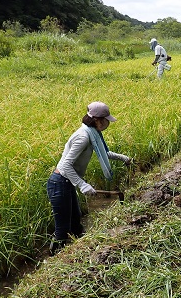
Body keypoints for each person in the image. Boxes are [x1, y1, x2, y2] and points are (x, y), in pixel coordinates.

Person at [46, 101, 131, 255]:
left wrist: (123, 158)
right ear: (97, 120)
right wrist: (82, 185)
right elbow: (65, 165)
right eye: (106, 120)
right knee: (62, 229)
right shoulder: (83, 137)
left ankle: (84, 252)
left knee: (76, 221)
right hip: (59, 183)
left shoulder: (93, 134)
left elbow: (104, 153)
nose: (108, 124)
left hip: (66, 183)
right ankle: (53, 260)